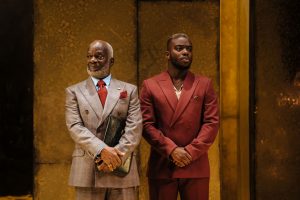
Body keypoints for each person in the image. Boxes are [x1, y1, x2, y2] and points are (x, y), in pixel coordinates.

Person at [140, 33, 219, 200]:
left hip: (195, 165)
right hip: (162, 165)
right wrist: (172, 150)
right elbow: (146, 125)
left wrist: (189, 152)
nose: (185, 52)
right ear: (167, 54)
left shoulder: (204, 84)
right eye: (179, 48)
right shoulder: (150, 85)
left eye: (189, 49)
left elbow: (211, 123)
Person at [65, 40, 142, 200]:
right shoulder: (74, 91)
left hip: (121, 169)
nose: (92, 60)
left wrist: (115, 157)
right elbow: (75, 127)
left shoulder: (129, 90)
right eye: (89, 56)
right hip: (88, 169)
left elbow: (134, 128)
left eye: (99, 56)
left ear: (111, 61)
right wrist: (102, 151)